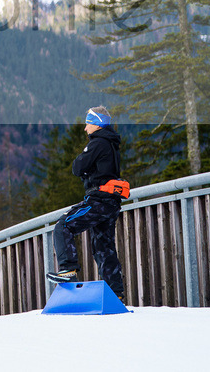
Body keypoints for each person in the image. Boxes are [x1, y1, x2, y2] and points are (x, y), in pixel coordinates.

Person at [47, 106, 128, 301]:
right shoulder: (111, 144)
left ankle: (68, 269)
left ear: (97, 123)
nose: (85, 128)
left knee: (63, 226)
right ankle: (115, 294)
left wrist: (84, 168)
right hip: (111, 203)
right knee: (104, 246)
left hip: (99, 200)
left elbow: (77, 167)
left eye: (88, 123)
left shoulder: (98, 142)